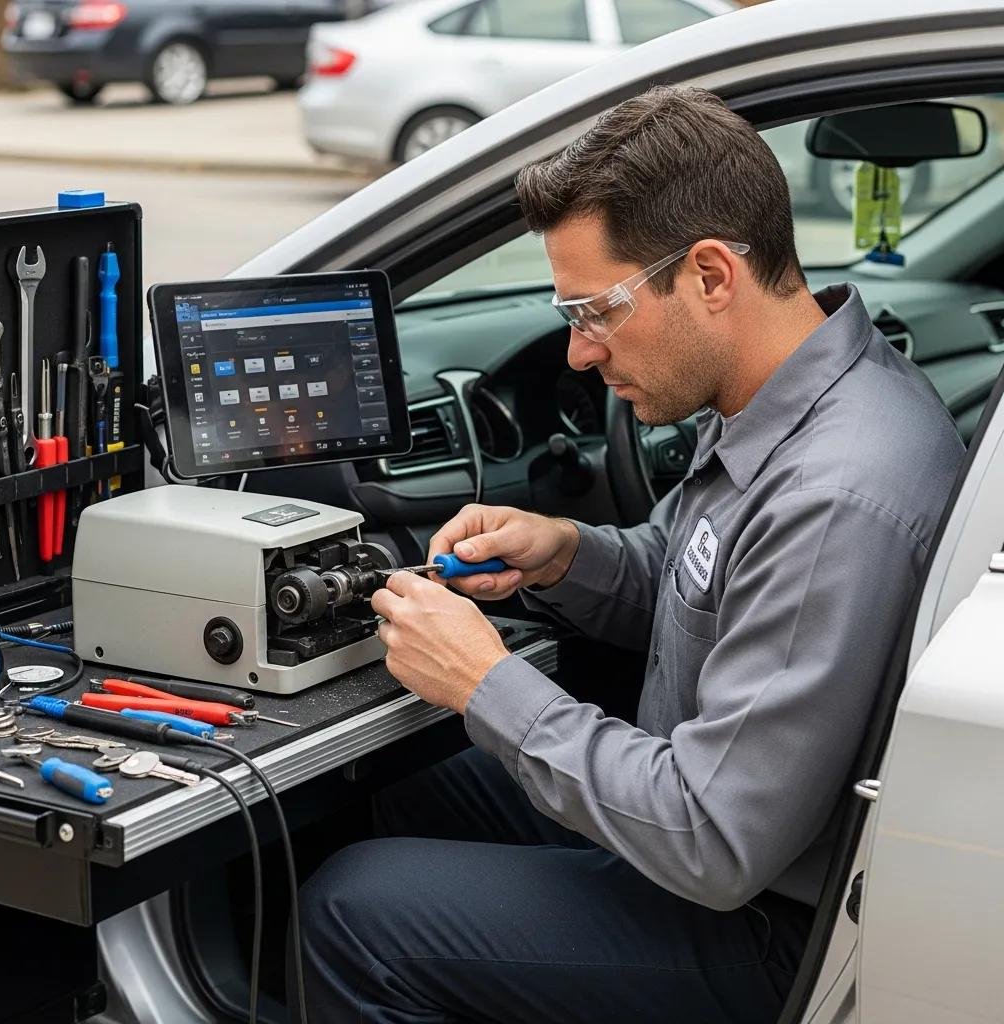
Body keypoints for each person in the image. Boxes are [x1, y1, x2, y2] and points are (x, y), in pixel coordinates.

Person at [294, 85, 964, 1022]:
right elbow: (702, 577)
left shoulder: (831, 496)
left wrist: (485, 682)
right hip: (720, 830)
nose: (578, 353)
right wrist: (565, 553)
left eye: (596, 311)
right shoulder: (792, 391)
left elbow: (711, 839)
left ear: (711, 275)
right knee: (418, 780)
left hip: (764, 925)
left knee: (352, 912)